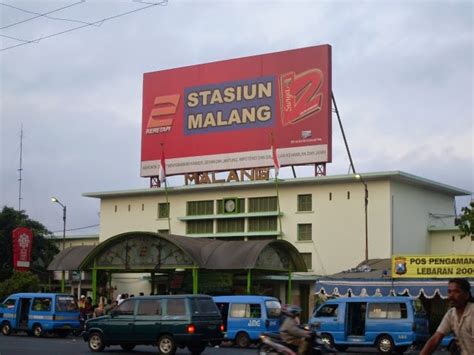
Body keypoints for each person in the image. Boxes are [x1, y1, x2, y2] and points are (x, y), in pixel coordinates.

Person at [420, 278, 473, 355]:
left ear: (466, 295)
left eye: (456, 292)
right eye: (449, 292)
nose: (451, 295)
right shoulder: (451, 314)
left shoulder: (472, 312)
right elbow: (435, 339)